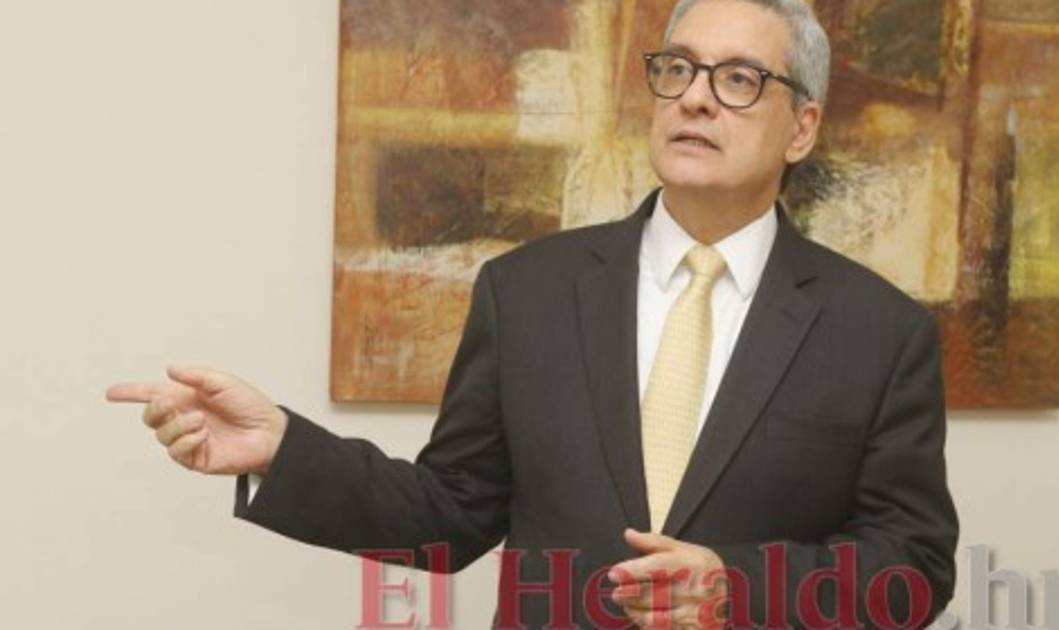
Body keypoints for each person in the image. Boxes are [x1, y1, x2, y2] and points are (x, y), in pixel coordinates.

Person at [107, 0, 958, 627]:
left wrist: (738, 589)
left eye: (739, 79)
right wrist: (283, 450)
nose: (696, 98)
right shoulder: (527, 292)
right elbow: (449, 516)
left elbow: (914, 567)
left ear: (802, 127)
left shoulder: (880, 333)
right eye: (677, 69)